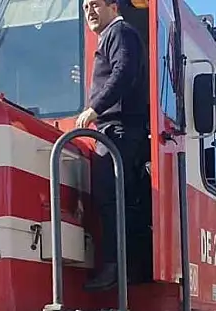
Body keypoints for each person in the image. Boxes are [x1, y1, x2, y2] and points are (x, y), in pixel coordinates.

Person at [77, 0, 149, 291]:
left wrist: (94, 107)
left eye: (95, 4)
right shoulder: (112, 37)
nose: (90, 12)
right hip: (117, 129)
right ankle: (126, 268)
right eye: (85, 8)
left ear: (113, 6)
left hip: (117, 130)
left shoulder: (119, 33)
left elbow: (123, 72)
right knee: (120, 200)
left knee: (111, 199)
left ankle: (114, 268)